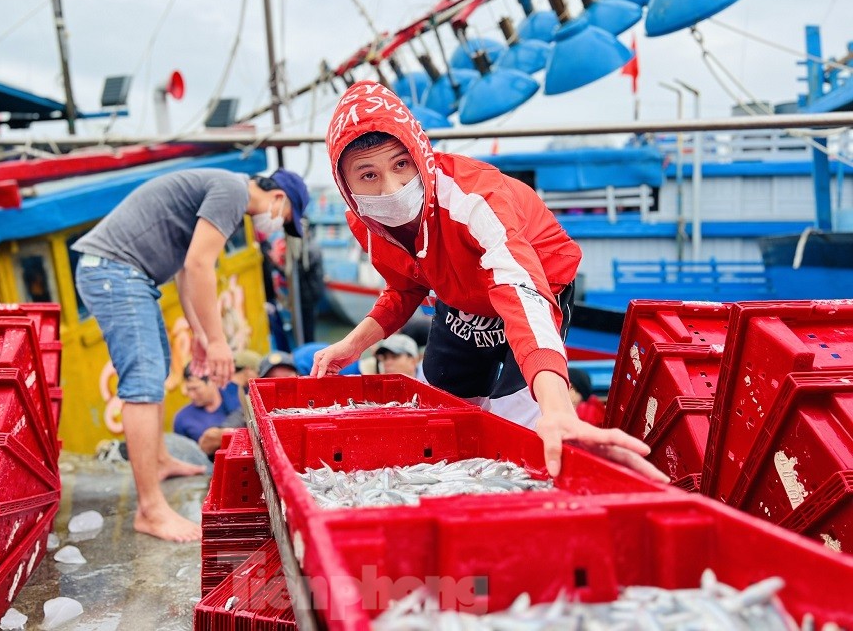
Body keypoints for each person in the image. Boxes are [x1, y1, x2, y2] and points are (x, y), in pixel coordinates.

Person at [311, 80, 665, 483]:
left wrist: (558, 408)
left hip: (534, 285)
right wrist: (351, 345)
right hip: (460, 301)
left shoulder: (474, 199)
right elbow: (405, 287)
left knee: (518, 423)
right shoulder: (365, 222)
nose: (391, 189)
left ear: (420, 153)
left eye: (401, 164)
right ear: (346, 185)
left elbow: (522, 291)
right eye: (368, 175)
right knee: (445, 419)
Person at [74, 167, 309, 541]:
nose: (277, 226)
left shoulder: (224, 192)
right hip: (115, 272)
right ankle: (151, 511)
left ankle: (160, 460)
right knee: (143, 382)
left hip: (127, 274)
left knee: (158, 368)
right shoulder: (233, 190)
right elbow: (199, 266)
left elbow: (186, 271)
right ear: (279, 198)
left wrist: (200, 334)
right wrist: (217, 342)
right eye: (285, 219)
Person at [195, 349, 262, 456]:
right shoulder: (233, 392)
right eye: (258, 372)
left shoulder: (229, 388)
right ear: (248, 369)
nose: (259, 377)